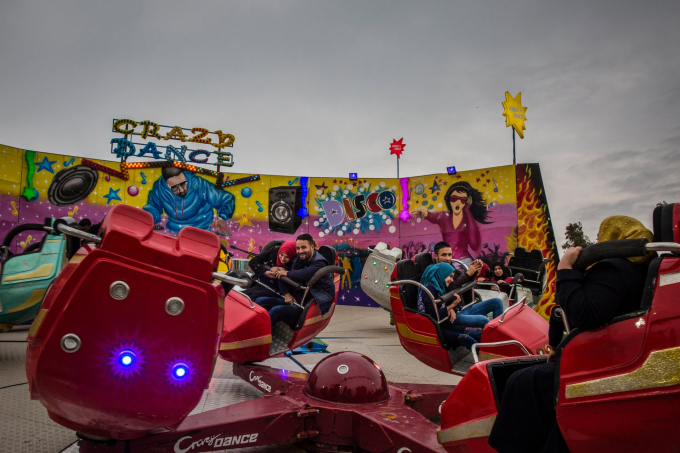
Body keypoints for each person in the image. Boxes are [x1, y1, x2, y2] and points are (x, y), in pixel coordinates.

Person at [488, 216, 652, 453]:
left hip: (600, 359)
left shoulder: (615, 268)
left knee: (520, 381)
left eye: (600, 237)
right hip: (616, 351)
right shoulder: (640, 269)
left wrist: (565, 270)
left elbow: (582, 313)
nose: (597, 243)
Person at [257, 234, 336, 329]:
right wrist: (286, 293)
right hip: (295, 298)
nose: (300, 251)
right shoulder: (298, 257)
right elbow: (282, 273)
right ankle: (255, 330)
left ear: (312, 247)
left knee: (276, 310)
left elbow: (303, 274)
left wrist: (286, 272)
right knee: (259, 301)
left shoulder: (319, 262)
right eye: (298, 248)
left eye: (303, 247)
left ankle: (262, 338)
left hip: (306, 305)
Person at [411, 182, 492, 261]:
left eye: (463, 200)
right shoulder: (444, 217)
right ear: (448, 199)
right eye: (454, 198)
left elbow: (474, 244)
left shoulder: (468, 220)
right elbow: (432, 216)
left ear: (467, 202)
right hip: (449, 260)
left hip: (464, 261)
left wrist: (467, 210)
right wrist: (424, 212)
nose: (458, 202)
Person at [143, 167, 235, 234]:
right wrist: (147, 220)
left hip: (201, 230)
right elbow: (152, 207)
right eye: (175, 188)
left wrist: (222, 217)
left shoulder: (198, 184)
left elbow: (226, 198)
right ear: (167, 186)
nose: (182, 190)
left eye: (183, 184)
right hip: (173, 232)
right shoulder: (159, 189)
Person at [432, 241, 504, 328]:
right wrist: (468, 273)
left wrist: (474, 270)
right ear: (436, 256)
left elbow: (463, 281)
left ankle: (499, 334)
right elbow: (451, 287)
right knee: (484, 320)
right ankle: (494, 338)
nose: (447, 258)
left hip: (465, 307)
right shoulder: (434, 272)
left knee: (497, 302)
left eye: (449, 255)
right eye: (444, 255)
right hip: (454, 314)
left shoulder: (451, 267)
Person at [417, 262, 481, 350]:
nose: (451, 280)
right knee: (466, 339)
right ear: (441, 274)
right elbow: (432, 316)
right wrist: (451, 306)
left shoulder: (440, 287)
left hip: (444, 323)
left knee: (475, 332)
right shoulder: (429, 290)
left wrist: (451, 307)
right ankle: (485, 359)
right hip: (434, 328)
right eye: (450, 276)